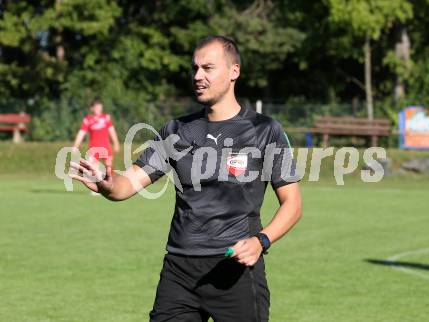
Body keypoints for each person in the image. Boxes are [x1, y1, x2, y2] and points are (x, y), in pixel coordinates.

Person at [70, 36, 302, 322]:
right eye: (194, 68)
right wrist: (108, 184)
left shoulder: (265, 130)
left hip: (235, 269)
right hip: (179, 271)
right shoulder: (176, 130)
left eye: (208, 68)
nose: (197, 76)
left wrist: (261, 241)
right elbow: (127, 184)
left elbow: (293, 204)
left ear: (234, 71)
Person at [72, 98, 120, 169]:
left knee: (109, 169)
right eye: (96, 107)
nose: (98, 108)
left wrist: (116, 143)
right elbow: (81, 133)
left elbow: (112, 131)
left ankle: (111, 179)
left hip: (106, 147)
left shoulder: (106, 118)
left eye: (100, 107)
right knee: (93, 170)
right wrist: (75, 146)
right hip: (93, 148)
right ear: (92, 108)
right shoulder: (87, 120)